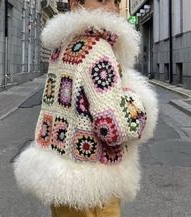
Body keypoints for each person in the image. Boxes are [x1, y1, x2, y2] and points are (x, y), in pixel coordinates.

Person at [13, 0, 159, 216]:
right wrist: (138, 100)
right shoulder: (98, 48)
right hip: (94, 187)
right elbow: (111, 126)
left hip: (61, 179)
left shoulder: (62, 47)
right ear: (75, 5)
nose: (112, 8)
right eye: (102, 0)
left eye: (116, 2)